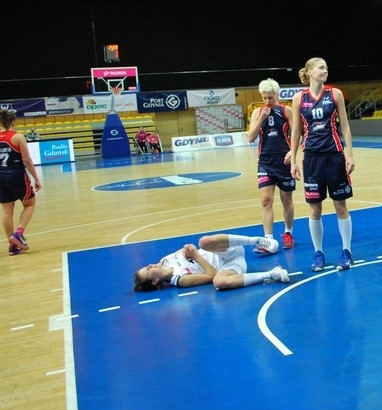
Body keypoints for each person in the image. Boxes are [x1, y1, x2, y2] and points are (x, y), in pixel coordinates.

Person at [288, 57, 356, 272]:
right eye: (320, 67)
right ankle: (319, 253)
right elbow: (296, 131)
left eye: (326, 67)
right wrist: (293, 158)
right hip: (311, 158)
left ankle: (346, 252)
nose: (325, 70)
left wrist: (350, 155)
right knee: (314, 208)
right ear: (309, 72)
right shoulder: (299, 98)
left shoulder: (335, 94)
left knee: (340, 205)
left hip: (334, 155)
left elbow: (344, 126)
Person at [133, 234, 287, 292]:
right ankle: (272, 273)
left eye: (146, 266)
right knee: (219, 282)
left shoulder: (164, 260)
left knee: (203, 242)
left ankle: (258, 241)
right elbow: (211, 275)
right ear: (154, 281)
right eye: (148, 270)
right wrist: (195, 256)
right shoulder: (179, 280)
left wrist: (189, 249)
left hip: (223, 250)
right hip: (230, 266)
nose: (149, 266)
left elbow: (187, 248)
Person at [247, 78, 296, 251]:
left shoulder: (286, 110)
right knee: (266, 200)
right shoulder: (257, 112)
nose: (267, 101)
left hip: (285, 161)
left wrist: (294, 152)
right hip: (265, 162)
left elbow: (300, 133)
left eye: (271, 97)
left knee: (287, 200)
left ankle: (288, 233)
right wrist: (261, 119)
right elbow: (250, 138)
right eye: (265, 97)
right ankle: (268, 240)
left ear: (277, 95)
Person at [0, 110, 43, 255]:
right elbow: (27, 160)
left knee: (6, 211)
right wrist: (36, 179)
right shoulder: (18, 137)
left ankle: (12, 246)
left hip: (0, 176)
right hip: (15, 174)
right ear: (13, 122)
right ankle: (18, 234)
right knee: (30, 203)